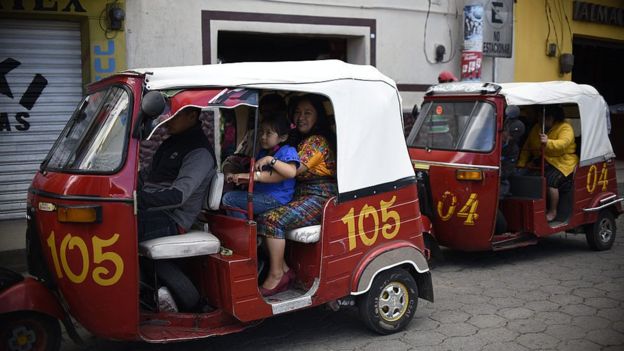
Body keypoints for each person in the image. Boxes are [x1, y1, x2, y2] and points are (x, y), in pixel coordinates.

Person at [255, 94, 337, 297]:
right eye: (298, 112)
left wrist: (269, 161)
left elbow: (294, 171)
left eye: (308, 113)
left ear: (318, 116)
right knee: (260, 216)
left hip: (318, 196)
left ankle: (277, 274)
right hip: (300, 195)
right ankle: (283, 269)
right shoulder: (299, 141)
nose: (301, 117)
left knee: (270, 220)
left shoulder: (317, 142)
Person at [138, 106, 216, 241]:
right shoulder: (171, 142)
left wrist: (137, 200)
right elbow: (146, 175)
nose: (167, 120)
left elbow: (178, 196)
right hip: (150, 211)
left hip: (171, 219)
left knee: (115, 226)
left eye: (174, 115)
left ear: (192, 116)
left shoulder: (199, 152)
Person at [221, 112, 300, 218]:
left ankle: (244, 231)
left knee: (229, 199)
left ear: (283, 137)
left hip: (275, 198)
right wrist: (240, 178)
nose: (263, 137)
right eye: (261, 132)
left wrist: (270, 160)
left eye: (268, 133)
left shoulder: (288, 151)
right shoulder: (264, 152)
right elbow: (257, 176)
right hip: (262, 194)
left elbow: (291, 172)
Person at [517, 105, 578, 222]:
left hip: (562, 162)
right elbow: (527, 147)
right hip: (542, 160)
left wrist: (547, 142)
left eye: (544, 117)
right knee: (522, 176)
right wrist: (522, 163)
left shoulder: (565, 127)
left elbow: (563, 144)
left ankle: (553, 211)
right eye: (539, 117)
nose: (540, 120)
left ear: (553, 117)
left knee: (551, 181)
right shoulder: (537, 128)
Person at [222, 93, 287, 178]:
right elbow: (238, 157)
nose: (263, 137)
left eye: (272, 112)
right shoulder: (253, 134)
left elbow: (290, 172)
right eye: (264, 112)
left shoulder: (287, 148)